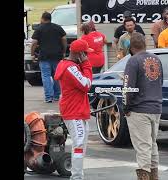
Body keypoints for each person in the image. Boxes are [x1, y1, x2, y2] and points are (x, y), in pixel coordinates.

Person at [122, 32, 163, 180]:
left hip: (139, 109)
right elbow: (160, 83)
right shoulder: (156, 59)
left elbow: (128, 88)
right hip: (156, 107)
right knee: (152, 145)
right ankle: (154, 177)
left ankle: (144, 177)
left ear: (131, 47)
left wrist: (126, 107)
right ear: (145, 44)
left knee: (142, 147)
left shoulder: (133, 61)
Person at [54, 39, 93, 180]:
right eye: (85, 54)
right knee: (79, 144)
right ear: (79, 54)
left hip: (77, 111)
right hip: (74, 111)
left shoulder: (68, 65)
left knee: (80, 145)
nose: (87, 57)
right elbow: (86, 84)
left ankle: (78, 175)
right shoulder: (71, 67)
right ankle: (76, 177)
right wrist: (86, 65)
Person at [31, 12, 67, 103]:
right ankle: (57, 95)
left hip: (44, 56)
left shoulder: (39, 29)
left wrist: (32, 54)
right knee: (57, 76)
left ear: (43, 18)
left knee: (46, 76)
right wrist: (63, 51)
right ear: (50, 18)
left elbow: (34, 42)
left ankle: (48, 97)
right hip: (57, 56)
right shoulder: (58, 27)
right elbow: (64, 39)